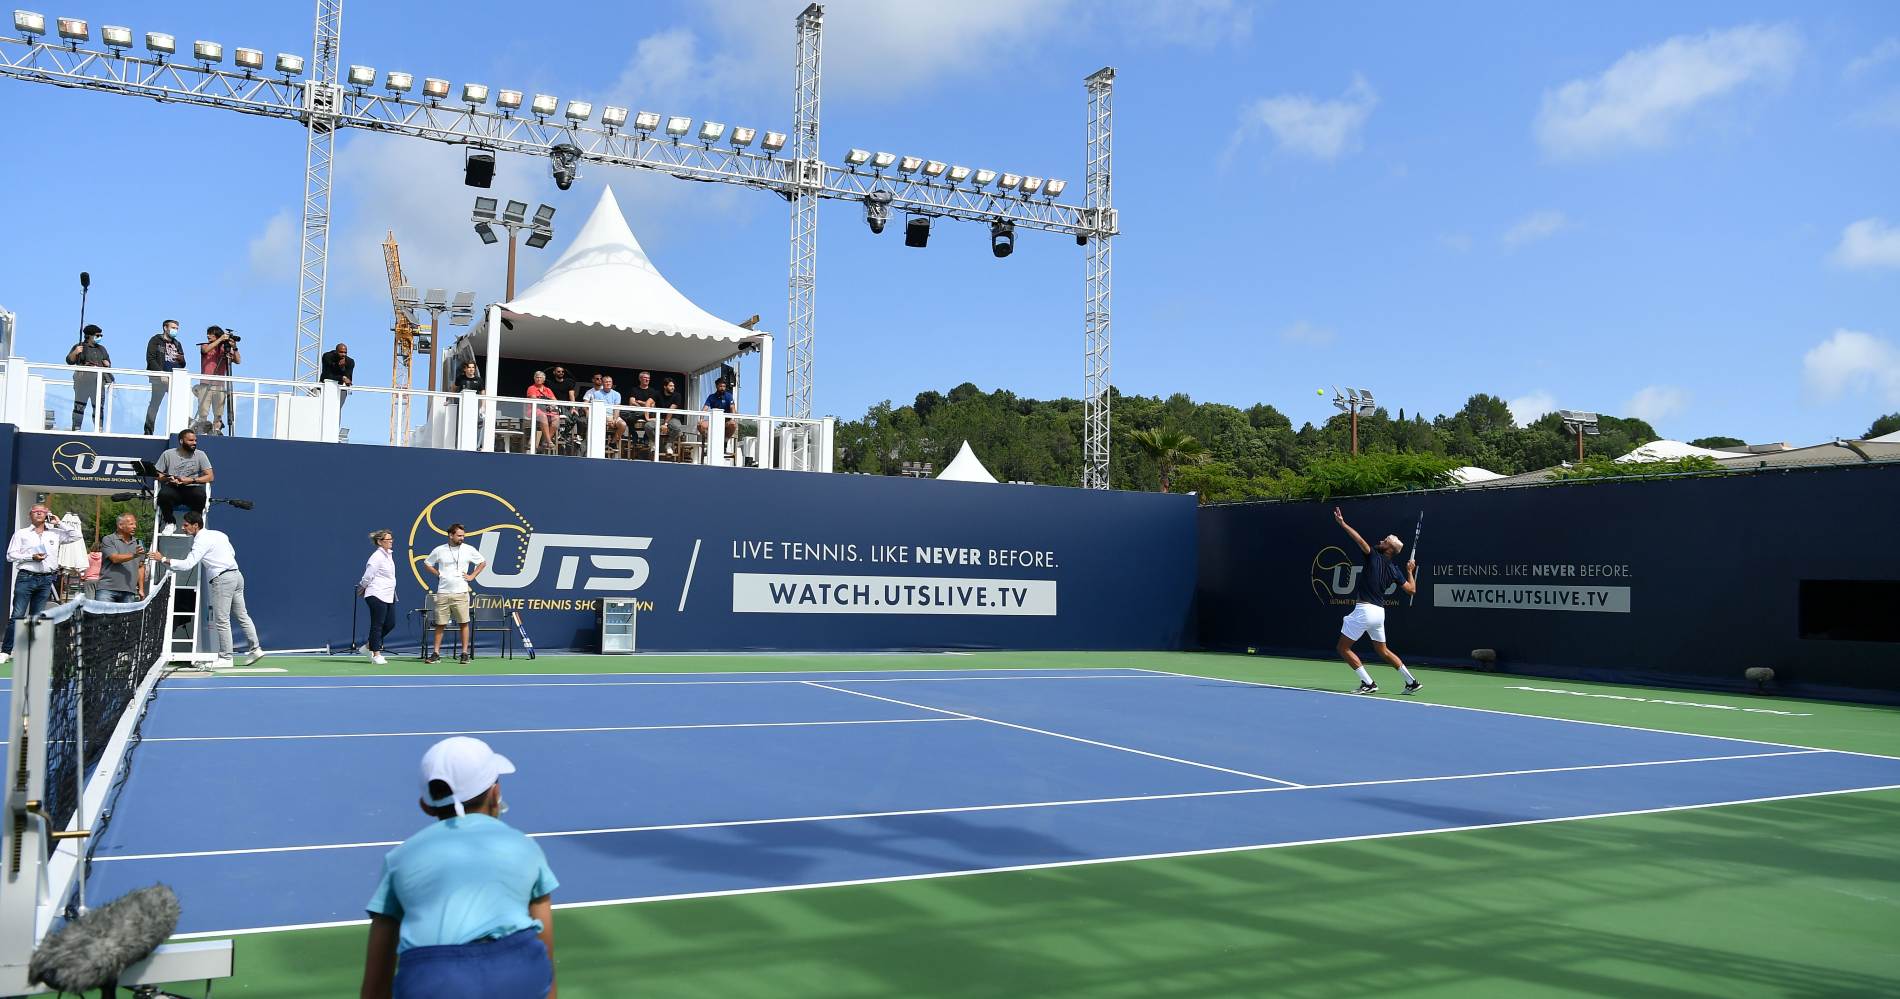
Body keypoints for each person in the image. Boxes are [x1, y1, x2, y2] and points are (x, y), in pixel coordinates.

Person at [360, 736, 558, 999]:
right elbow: (545, 951)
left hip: (433, 980)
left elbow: (375, 984)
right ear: (495, 793)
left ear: (426, 806)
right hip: (519, 971)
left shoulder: (398, 859)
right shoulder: (526, 846)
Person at [150, 511, 263, 668]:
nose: (182, 528)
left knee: (222, 619)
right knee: (243, 615)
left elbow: (188, 564)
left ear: (196, 526)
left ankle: (226, 658)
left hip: (223, 579)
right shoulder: (219, 534)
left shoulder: (200, 541)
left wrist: (162, 558)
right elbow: (232, 553)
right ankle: (256, 649)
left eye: (186, 525)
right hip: (237, 576)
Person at [1331, 507, 1420, 695]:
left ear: (1388, 548)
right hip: (1379, 613)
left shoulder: (1373, 555)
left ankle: (1368, 683)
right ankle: (1411, 681)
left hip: (1365, 610)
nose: (1381, 540)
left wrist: (1342, 523)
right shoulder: (1396, 570)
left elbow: (1359, 540)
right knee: (1383, 650)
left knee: (1343, 647)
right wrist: (1410, 572)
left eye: (1384, 540)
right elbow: (1411, 590)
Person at [2, 504, 82, 664]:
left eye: (43, 512)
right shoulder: (22, 533)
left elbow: (76, 536)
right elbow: (10, 555)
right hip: (26, 577)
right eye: (36, 512)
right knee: (17, 614)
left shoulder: (56, 533)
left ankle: (29, 651)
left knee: (37, 617)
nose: (39, 514)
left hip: (46, 579)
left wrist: (59, 522)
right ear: (30, 515)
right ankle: (6, 650)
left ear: (48, 515)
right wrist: (32, 557)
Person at [424, 523, 485, 665]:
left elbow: (482, 562)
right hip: (443, 593)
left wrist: (472, 576)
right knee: (440, 623)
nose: (462, 538)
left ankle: (464, 653)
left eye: (463, 535)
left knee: (464, 623)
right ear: (450, 535)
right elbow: (427, 563)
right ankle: (436, 653)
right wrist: (438, 574)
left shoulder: (469, 549)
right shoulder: (440, 550)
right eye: (459, 536)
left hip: (461, 592)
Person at [155, 429, 214, 534]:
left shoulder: (200, 455)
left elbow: (210, 477)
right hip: (173, 488)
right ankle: (170, 523)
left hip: (191, 487)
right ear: (181, 441)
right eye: (191, 440)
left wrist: (191, 480)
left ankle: (193, 525)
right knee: (164, 494)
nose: (194, 443)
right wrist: (169, 478)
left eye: (195, 440)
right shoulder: (168, 454)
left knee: (200, 495)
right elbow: (157, 475)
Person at [358, 529, 398, 666]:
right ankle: (376, 654)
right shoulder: (376, 557)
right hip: (376, 594)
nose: (391, 541)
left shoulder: (389, 555)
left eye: (391, 539)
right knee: (377, 625)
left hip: (388, 594)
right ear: (380, 542)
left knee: (390, 624)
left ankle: (369, 645)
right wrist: (362, 587)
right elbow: (368, 575)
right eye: (388, 539)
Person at [66, 324, 113, 431]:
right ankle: (76, 428)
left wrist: (107, 364)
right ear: (89, 336)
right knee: (79, 406)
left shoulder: (102, 349)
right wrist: (75, 352)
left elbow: (108, 363)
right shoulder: (79, 347)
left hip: (98, 382)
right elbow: (69, 361)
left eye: (101, 335)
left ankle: (99, 429)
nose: (100, 337)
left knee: (98, 408)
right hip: (83, 381)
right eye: (97, 335)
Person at [144, 319, 186, 436]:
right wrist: (160, 373)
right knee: (155, 404)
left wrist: (181, 360)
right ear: (165, 328)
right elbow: (150, 358)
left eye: (177, 328)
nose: (175, 330)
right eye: (173, 328)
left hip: (174, 379)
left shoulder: (177, 343)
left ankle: (180, 432)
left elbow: (183, 364)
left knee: (179, 404)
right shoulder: (155, 340)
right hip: (159, 379)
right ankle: (148, 431)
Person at [194, 326, 239, 434]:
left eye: (211, 334)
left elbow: (238, 360)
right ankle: (201, 432)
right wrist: (221, 339)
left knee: (218, 414)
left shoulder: (223, 349)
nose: (208, 336)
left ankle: (216, 431)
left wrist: (235, 348)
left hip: (219, 386)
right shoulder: (205, 345)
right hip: (205, 384)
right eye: (208, 333)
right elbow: (205, 350)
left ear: (217, 335)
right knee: (203, 413)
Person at [95, 512, 147, 604]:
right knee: (103, 617)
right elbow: (114, 558)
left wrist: (141, 589)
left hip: (129, 591)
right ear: (120, 525)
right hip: (107, 589)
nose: (135, 526)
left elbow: (141, 566)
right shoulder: (108, 539)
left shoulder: (138, 543)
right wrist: (134, 554)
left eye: (135, 524)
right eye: (131, 524)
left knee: (126, 619)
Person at [584, 375, 625, 451]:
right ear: (602, 383)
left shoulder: (617, 394)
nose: (608, 383)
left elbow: (617, 409)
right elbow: (597, 409)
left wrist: (614, 419)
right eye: (606, 382)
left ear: (612, 383)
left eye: (610, 382)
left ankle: (612, 443)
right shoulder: (596, 394)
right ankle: (598, 447)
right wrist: (606, 419)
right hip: (601, 416)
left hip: (613, 416)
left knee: (623, 425)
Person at [696, 376, 738, 449]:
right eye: (721, 386)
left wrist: (732, 418)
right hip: (714, 421)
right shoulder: (711, 397)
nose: (722, 388)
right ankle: (708, 439)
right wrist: (701, 419)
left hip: (726, 421)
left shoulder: (728, 396)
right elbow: (705, 408)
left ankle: (725, 441)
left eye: (724, 386)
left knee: (733, 424)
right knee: (700, 425)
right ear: (716, 386)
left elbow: (732, 408)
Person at [625, 371, 660, 454]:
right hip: (637, 412)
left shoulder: (652, 391)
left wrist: (640, 402)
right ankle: (634, 436)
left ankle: (646, 438)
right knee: (628, 417)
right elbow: (631, 402)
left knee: (652, 421)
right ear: (640, 379)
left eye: (648, 378)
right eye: (645, 378)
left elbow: (653, 405)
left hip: (648, 413)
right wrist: (645, 405)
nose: (647, 379)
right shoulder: (634, 390)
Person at [524, 371, 559, 454]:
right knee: (543, 416)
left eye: (540, 377)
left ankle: (546, 441)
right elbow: (535, 400)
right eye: (537, 377)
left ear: (544, 379)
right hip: (534, 410)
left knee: (556, 418)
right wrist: (548, 402)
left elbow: (555, 401)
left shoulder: (548, 390)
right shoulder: (531, 388)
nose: (538, 379)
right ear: (534, 379)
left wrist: (552, 405)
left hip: (547, 411)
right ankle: (549, 442)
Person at [658, 375, 688, 456]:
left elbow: (671, 410)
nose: (673, 387)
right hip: (660, 418)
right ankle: (655, 445)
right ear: (665, 386)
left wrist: (665, 424)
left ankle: (668, 445)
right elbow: (650, 402)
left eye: (673, 386)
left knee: (676, 427)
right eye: (671, 386)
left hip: (673, 418)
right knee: (648, 426)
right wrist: (647, 417)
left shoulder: (677, 395)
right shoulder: (658, 394)